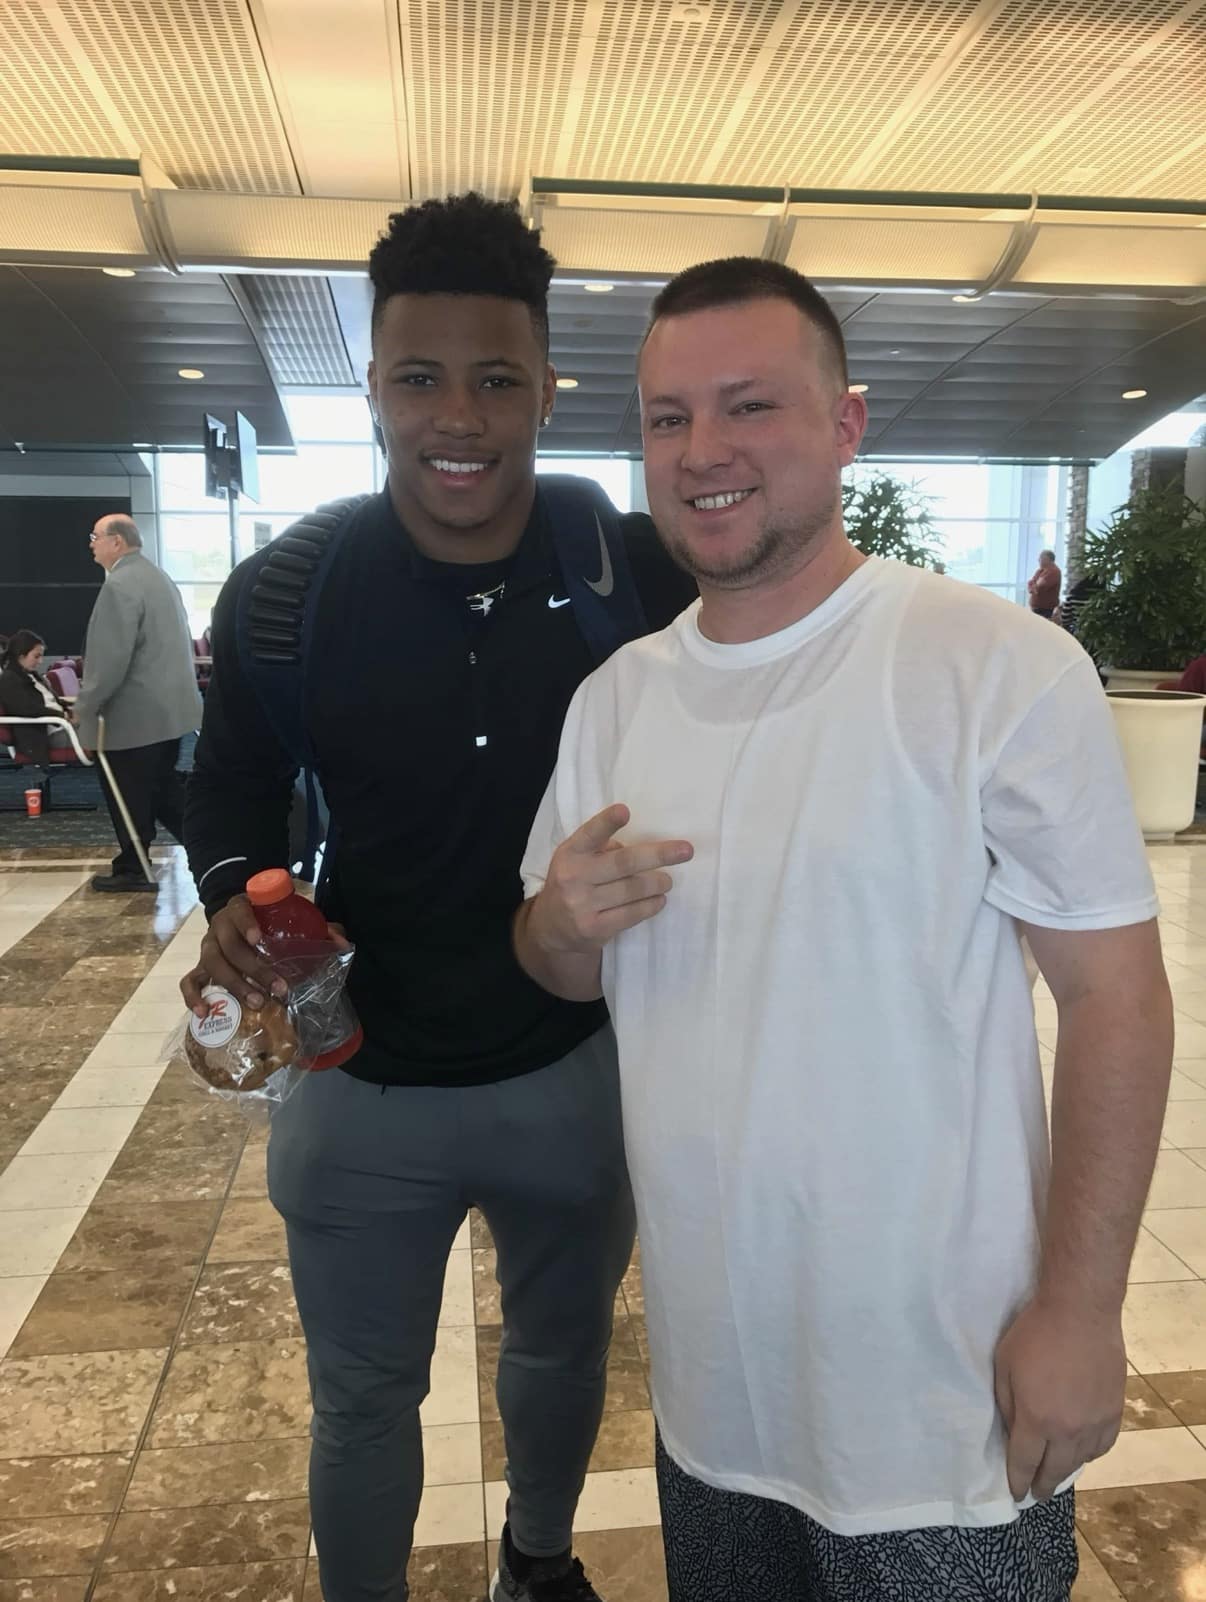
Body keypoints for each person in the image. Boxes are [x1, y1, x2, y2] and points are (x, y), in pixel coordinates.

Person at [515, 257, 1173, 1602]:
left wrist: (1082, 1307)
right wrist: (559, 922)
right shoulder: (617, 699)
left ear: (845, 423)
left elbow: (1116, 994)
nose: (703, 450)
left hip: (942, 1401)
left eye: (749, 404)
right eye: (667, 417)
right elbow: (559, 967)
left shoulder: (990, 665)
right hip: (715, 1392)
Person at [181, 193, 696, 1602]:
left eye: (496, 379)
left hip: (570, 1066)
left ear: (547, 386)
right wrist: (232, 892)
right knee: (360, 1401)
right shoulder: (287, 594)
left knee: (564, 1353)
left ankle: (537, 1562)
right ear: (372, 387)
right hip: (360, 1079)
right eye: (419, 378)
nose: (457, 418)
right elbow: (228, 783)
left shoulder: (634, 575)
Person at [74, 514, 202, 892]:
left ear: (117, 542)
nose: (91, 544)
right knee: (162, 790)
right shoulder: (158, 578)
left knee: (128, 793)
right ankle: (211, 850)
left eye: (95, 536)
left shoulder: (120, 585)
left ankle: (134, 868)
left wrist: (85, 706)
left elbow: (108, 660)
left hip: (134, 717)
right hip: (170, 712)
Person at [0, 629, 75, 767]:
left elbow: (52, 701)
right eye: (36, 656)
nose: (40, 661)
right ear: (21, 656)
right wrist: (62, 715)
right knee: (101, 736)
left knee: (103, 730)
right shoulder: (9, 680)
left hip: (60, 727)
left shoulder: (33, 676)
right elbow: (28, 709)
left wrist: (69, 711)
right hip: (43, 737)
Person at [1028, 548, 1062, 618]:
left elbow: (1039, 588)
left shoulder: (1054, 572)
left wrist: (1034, 587)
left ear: (1047, 560)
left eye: (1041, 558)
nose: (1038, 560)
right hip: (1037, 609)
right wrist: (1033, 586)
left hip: (1046, 610)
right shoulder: (1040, 571)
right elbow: (1030, 583)